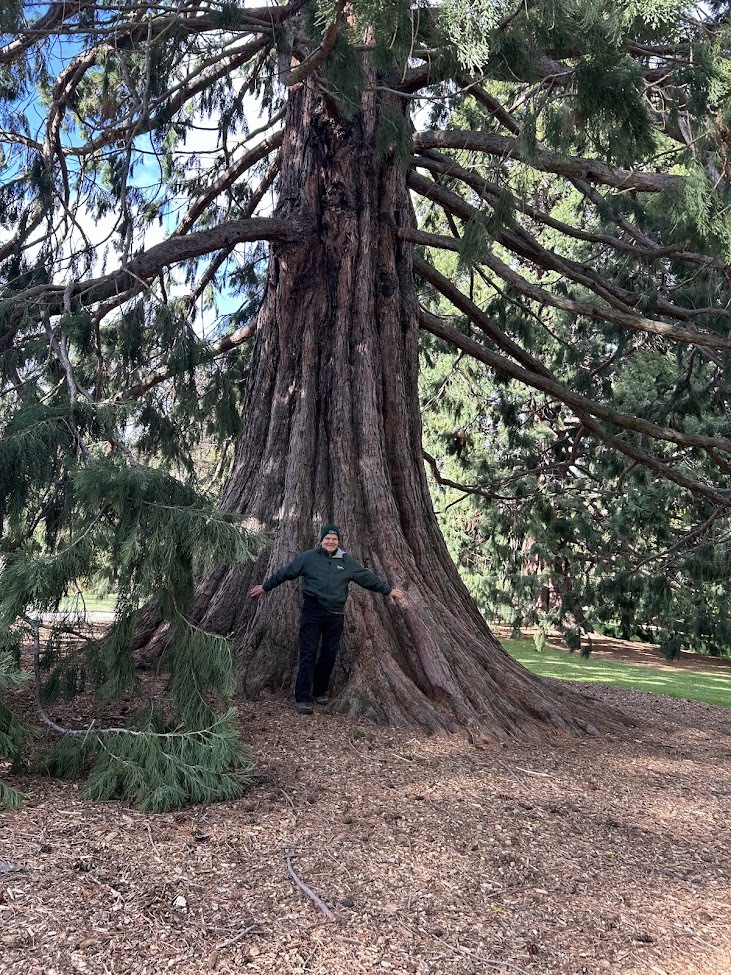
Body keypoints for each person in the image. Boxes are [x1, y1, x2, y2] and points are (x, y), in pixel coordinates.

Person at [250, 524, 405, 714]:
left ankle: (319, 692)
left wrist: (388, 590)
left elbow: (366, 577)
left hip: (335, 614)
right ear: (321, 540)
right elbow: (286, 572)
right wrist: (266, 587)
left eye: (334, 539)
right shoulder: (308, 558)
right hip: (313, 611)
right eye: (327, 539)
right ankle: (302, 698)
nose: (330, 542)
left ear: (338, 541)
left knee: (329, 655)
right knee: (308, 653)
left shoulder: (346, 561)